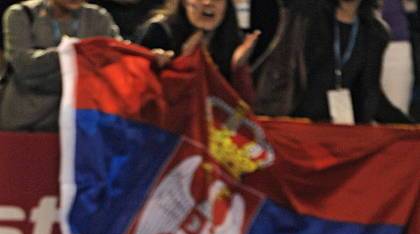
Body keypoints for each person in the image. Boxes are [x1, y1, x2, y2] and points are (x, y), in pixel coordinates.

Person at [254, 0, 413, 123]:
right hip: (295, 125)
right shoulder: (304, 16)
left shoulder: (374, 33)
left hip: (340, 133)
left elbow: (370, 95)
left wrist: (411, 128)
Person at [0, 0, 120, 132]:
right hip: (26, 122)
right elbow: (24, 66)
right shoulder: (21, 14)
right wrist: (71, 52)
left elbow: (116, 64)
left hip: (81, 124)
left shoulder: (98, 17)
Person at [134, 0, 260, 104]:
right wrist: (181, 64)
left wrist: (239, 68)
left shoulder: (231, 37)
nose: (208, 3)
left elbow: (242, 111)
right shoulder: (158, 32)